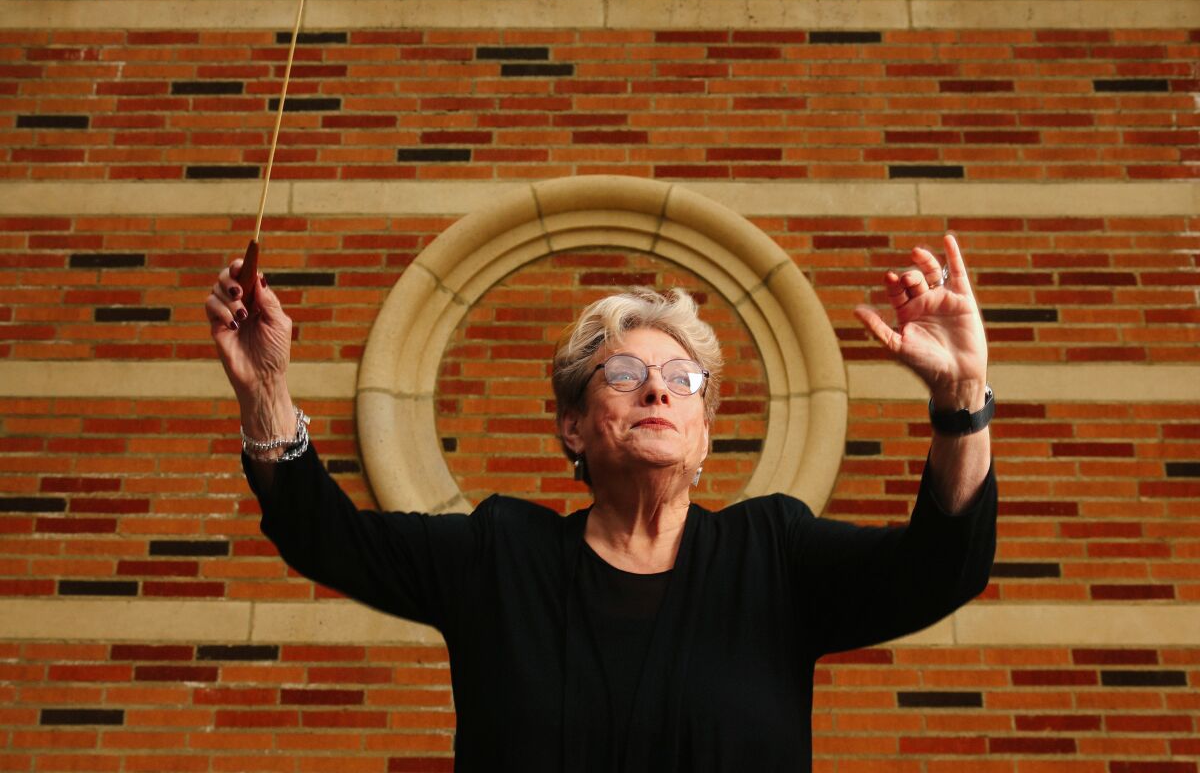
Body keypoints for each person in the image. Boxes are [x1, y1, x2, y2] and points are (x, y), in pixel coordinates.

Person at [205, 232, 996, 773]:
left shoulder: (772, 555)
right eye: (622, 375)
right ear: (572, 426)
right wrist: (267, 388)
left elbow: (937, 567)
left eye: (683, 381)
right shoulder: (502, 556)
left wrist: (962, 397)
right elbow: (325, 536)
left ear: (705, 433)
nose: (656, 386)